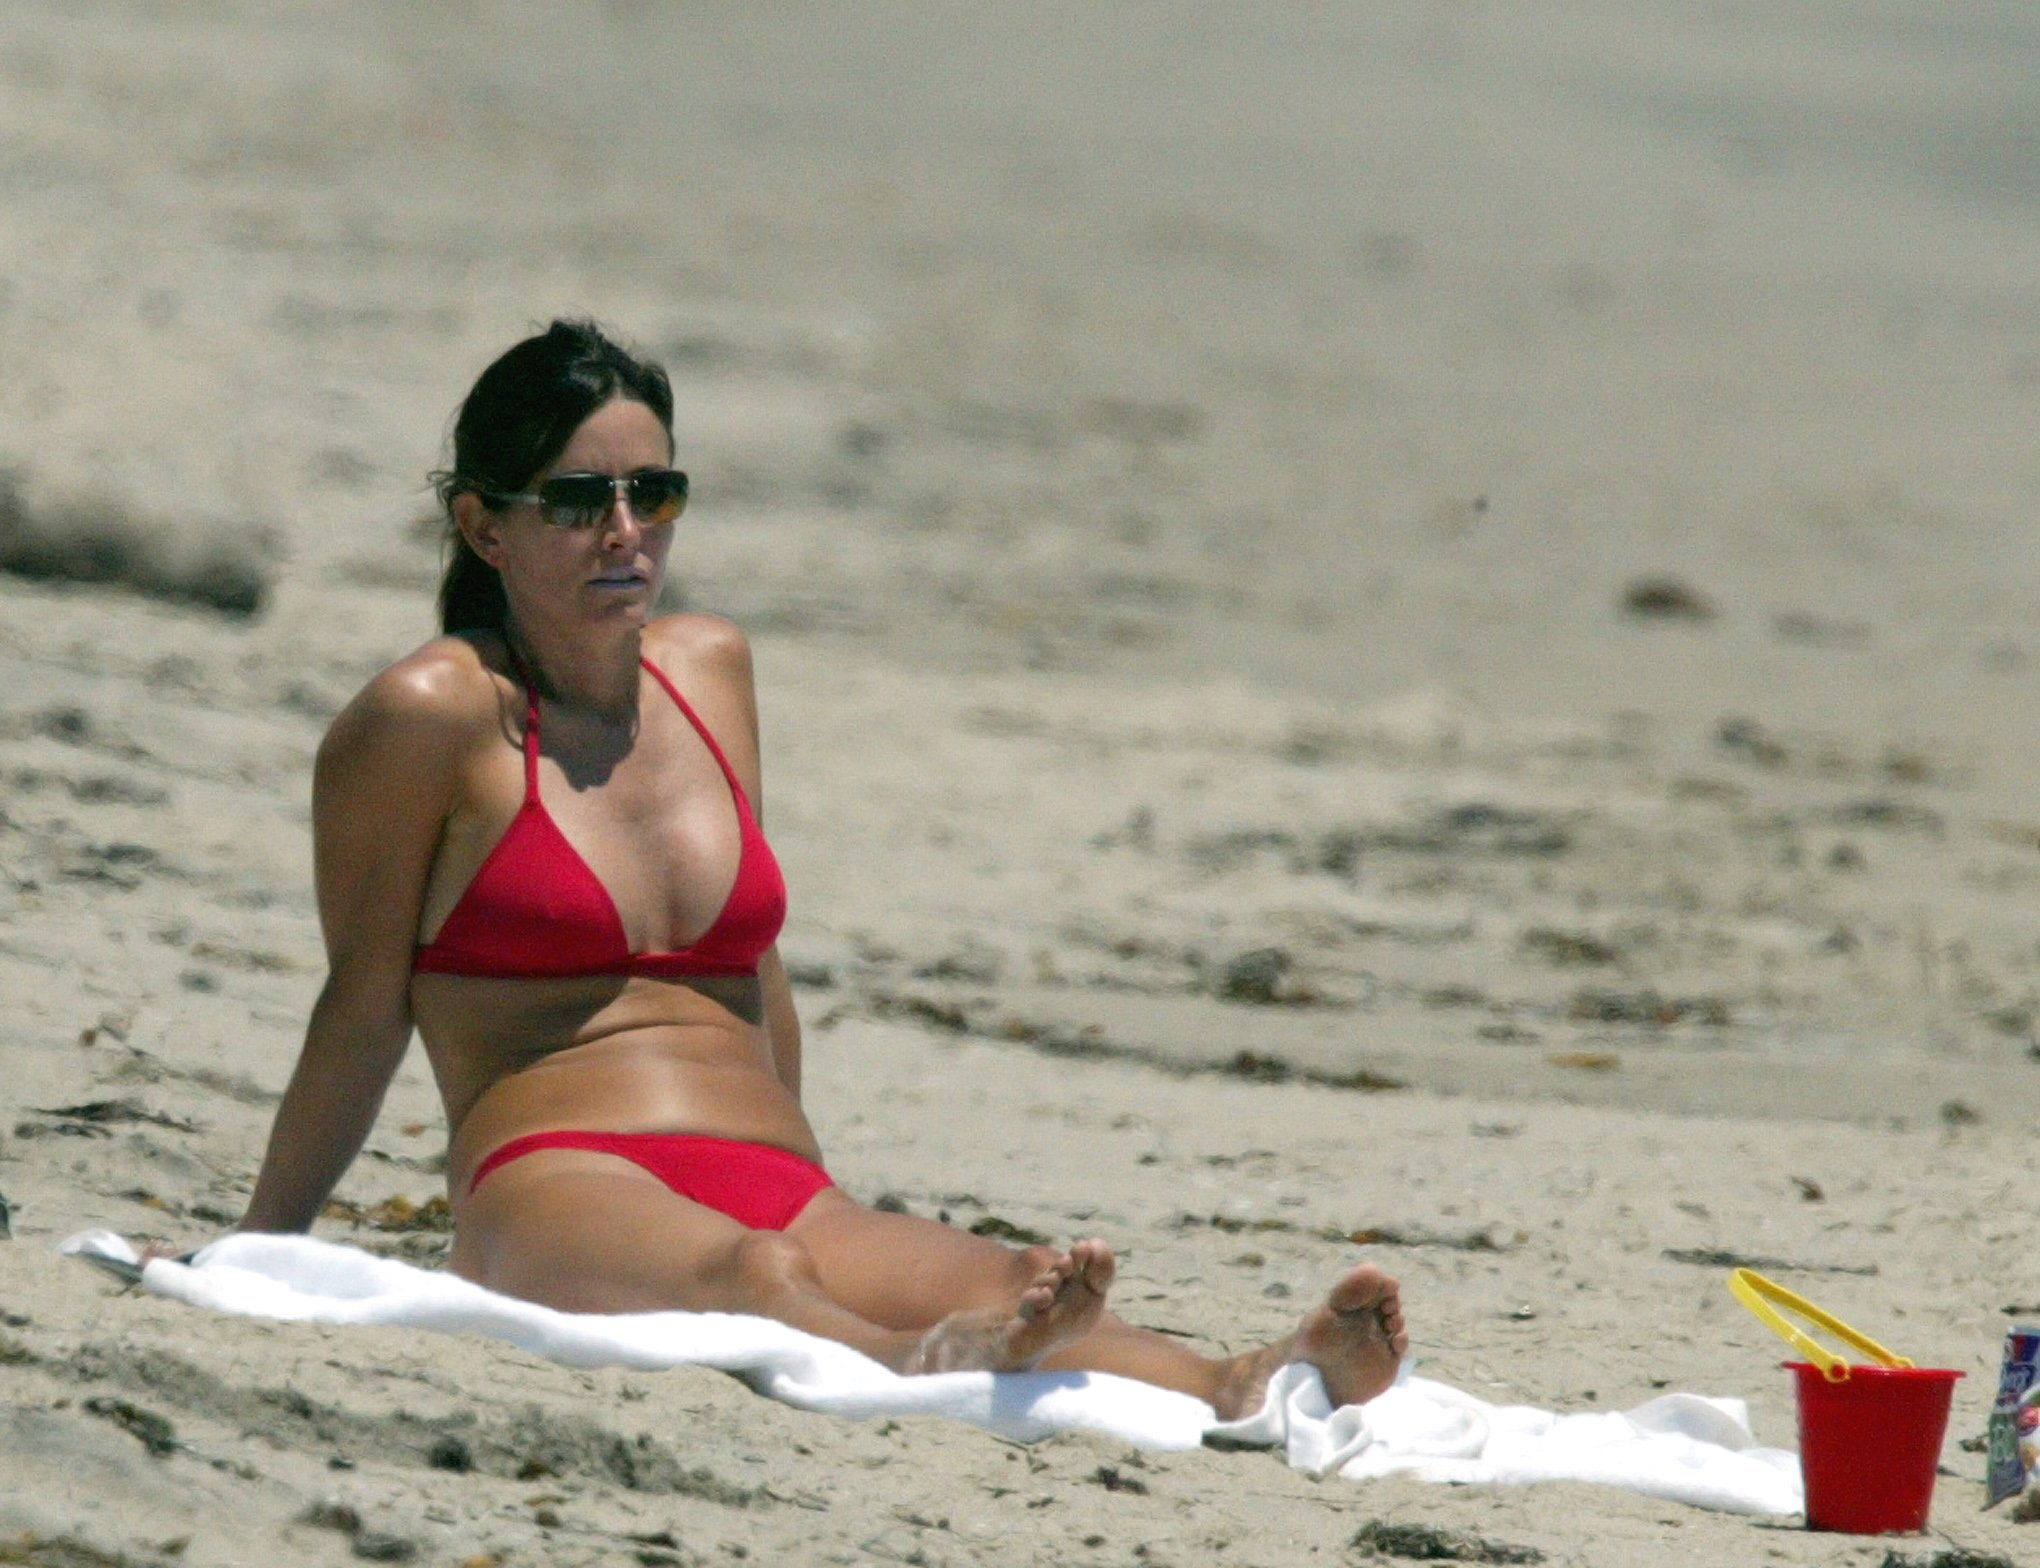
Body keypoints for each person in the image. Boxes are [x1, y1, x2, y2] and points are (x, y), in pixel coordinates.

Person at [236, 319, 1408, 1415]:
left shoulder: (710, 669)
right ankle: (908, 1362)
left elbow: (755, 975)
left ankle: (1244, 1378)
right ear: (485, 525)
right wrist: (258, 1245)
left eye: (655, 492)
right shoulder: (429, 714)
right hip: (553, 1182)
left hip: (771, 1171)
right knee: (757, 1273)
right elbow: (362, 1005)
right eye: (581, 501)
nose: (626, 530)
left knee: (1012, 1276)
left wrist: (804, 1169)